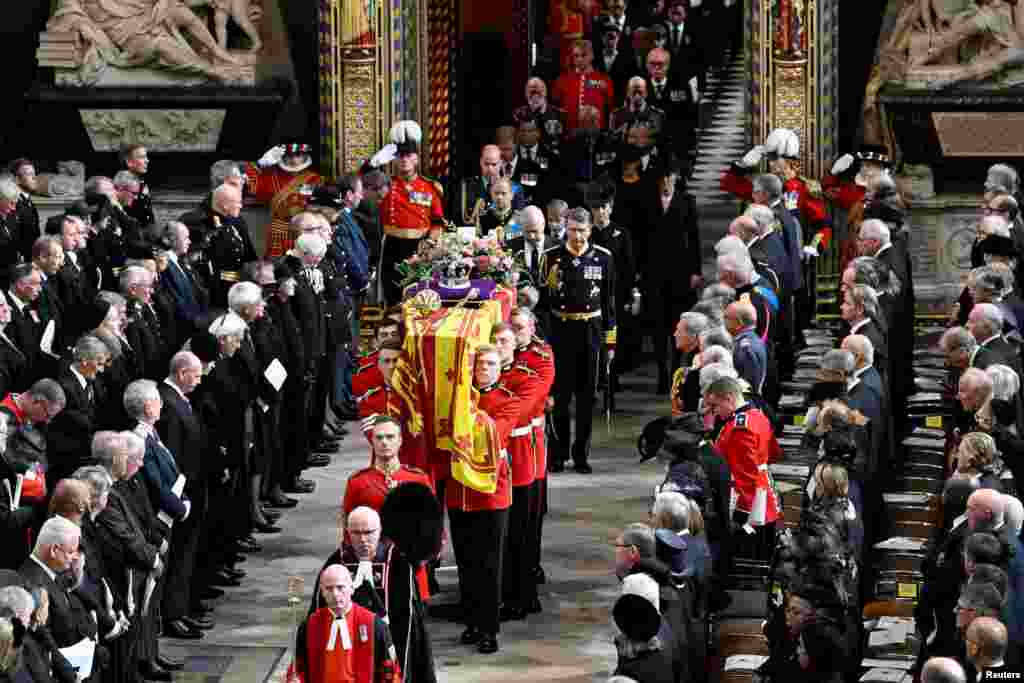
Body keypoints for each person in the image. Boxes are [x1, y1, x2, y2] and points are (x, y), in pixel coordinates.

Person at [445, 345, 521, 654]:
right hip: (460, 490)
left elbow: (491, 434)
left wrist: (465, 409)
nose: (484, 369)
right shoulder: (458, 398)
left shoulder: (507, 402)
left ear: (500, 368)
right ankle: (472, 622)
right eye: (479, 364)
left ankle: (489, 627)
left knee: (489, 564)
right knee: (465, 561)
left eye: (490, 363)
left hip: (491, 491)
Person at [310, 507, 436, 683]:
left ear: (380, 531)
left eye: (369, 533)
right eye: (356, 533)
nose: (362, 539)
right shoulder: (335, 564)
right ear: (347, 532)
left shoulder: (398, 566)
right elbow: (318, 618)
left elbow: (409, 626)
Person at [540, 207, 616, 473]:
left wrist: (610, 342)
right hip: (561, 331)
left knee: (586, 397)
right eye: (572, 230)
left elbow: (609, 302)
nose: (577, 236)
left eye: (582, 230)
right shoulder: (550, 257)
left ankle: (581, 454)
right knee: (559, 396)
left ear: (590, 230)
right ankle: (559, 453)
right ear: (565, 228)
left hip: (591, 332)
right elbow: (543, 302)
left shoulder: (603, 258)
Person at [364, 121, 444, 305]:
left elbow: (438, 222)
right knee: (392, 299)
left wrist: (429, 246)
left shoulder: (430, 187)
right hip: (391, 246)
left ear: (416, 157)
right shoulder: (385, 185)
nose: (404, 159)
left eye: (408, 155)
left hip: (420, 247)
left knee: (421, 299)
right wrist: (373, 163)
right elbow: (357, 184)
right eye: (399, 155)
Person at [703, 376, 780, 562]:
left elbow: (744, 476)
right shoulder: (757, 415)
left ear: (728, 398)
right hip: (764, 497)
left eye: (715, 406)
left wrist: (737, 517)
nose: (713, 413)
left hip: (752, 506)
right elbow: (774, 453)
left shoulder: (739, 428)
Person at [291, 564, 401, 683]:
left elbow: (390, 671)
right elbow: (298, 667)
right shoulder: (309, 626)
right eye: (329, 588)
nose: (335, 594)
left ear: (351, 588)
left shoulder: (374, 625)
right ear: (322, 591)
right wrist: (295, 679)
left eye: (340, 587)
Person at [341, 417, 433, 522]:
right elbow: (349, 527)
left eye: (390, 437)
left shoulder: (418, 480)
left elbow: (434, 523)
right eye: (379, 437)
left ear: (400, 441)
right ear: (372, 442)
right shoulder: (357, 482)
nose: (384, 442)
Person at [244, 143, 323, 258]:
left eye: (298, 155)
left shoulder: (316, 179)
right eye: (289, 155)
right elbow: (245, 184)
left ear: (305, 155)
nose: (294, 159)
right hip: (279, 235)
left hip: (306, 232)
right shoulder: (269, 177)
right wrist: (259, 164)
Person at [551, 39, 616, 133]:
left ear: (592, 56)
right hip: (569, 133)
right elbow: (556, 109)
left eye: (584, 55)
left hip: (596, 134)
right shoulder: (561, 80)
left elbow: (610, 108)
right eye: (576, 56)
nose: (580, 59)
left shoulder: (604, 80)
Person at [724, 300, 766, 395]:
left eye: (726, 318)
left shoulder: (746, 348)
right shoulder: (751, 339)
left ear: (739, 323)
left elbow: (749, 385)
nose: (723, 321)